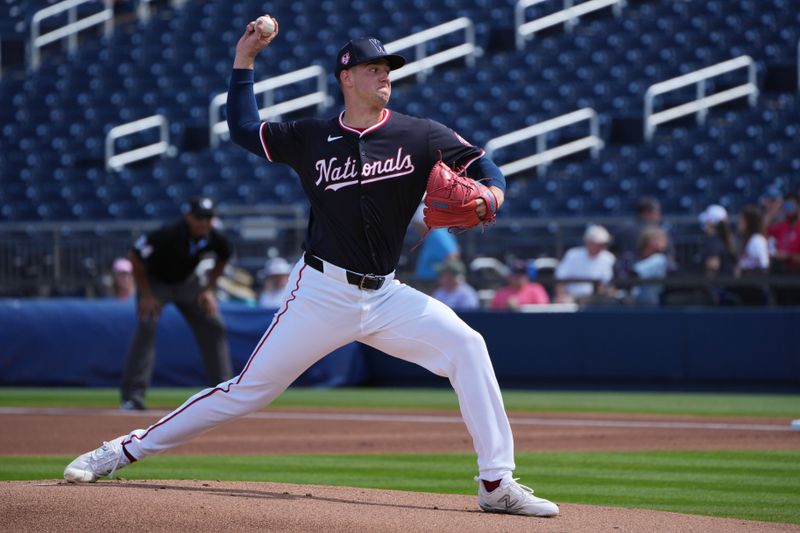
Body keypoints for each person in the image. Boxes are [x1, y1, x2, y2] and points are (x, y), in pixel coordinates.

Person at [63, 18, 559, 518]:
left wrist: (493, 192)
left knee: (467, 346)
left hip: (387, 296)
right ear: (346, 77)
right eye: (373, 69)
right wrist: (245, 60)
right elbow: (242, 129)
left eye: (388, 69)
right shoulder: (311, 136)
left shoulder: (420, 134)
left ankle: (496, 482)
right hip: (320, 291)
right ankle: (123, 449)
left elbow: (482, 163)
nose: (385, 76)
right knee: (247, 393)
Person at [118, 196, 234, 411]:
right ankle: (132, 396)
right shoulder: (167, 234)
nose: (204, 222)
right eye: (199, 217)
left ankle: (223, 392)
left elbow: (224, 257)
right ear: (188, 216)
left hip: (187, 284)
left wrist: (208, 289)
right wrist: (145, 294)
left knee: (214, 325)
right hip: (155, 284)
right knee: (147, 327)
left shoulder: (214, 238)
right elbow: (134, 257)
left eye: (208, 218)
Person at [554, 225, 616, 304]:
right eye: (598, 244)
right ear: (588, 242)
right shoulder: (572, 255)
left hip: (596, 299)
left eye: (603, 244)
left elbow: (607, 284)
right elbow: (560, 279)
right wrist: (561, 296)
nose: (601, 247)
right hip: (571, 297)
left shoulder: (608, 258)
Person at [613, 197, 673, 278]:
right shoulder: (658, 232)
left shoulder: (623, 228)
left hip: (631, 276)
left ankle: (635, 272)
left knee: (659, 260)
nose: (659, 215)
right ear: (648, 212)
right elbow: (669, 255)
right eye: (658, 212)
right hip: (635, 275)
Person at [732, 204, 770, 305]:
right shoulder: (747, 240)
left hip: (754, 289)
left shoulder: (757, 240)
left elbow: (764, 266)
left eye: (742, 220)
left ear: (749, 222)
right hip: (745, 286)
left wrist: (744, 271)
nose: (739, 223)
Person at [630, 227, 670, 306]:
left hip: (651, 303)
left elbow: (635, 272)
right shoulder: (633, 257)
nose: (665, 242)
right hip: (632, 302)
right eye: (660, 239)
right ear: (649, 241)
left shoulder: (660, 259)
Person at [695, 204, 737, 279]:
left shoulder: (714, 242)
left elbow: (712, 269)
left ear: (711, 222)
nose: (704, 223)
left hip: (719, 287)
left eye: (707, 220)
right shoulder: (723, 239)